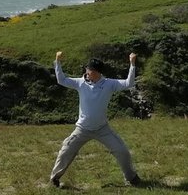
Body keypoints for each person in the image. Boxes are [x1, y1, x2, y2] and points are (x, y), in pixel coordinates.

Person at [49, 51, 141, 188]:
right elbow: (61, 80)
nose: (87, 72)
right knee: (66, 150)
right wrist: (57, 61)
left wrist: (132, 63)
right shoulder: (80, 83)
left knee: (122, 151)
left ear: (97, 72)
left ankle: (131, 178)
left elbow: (129, 83)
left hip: (102, 129)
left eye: (90, 70)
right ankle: (54, 179)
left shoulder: (109, 84)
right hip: (82, 129)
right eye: (87, 69)